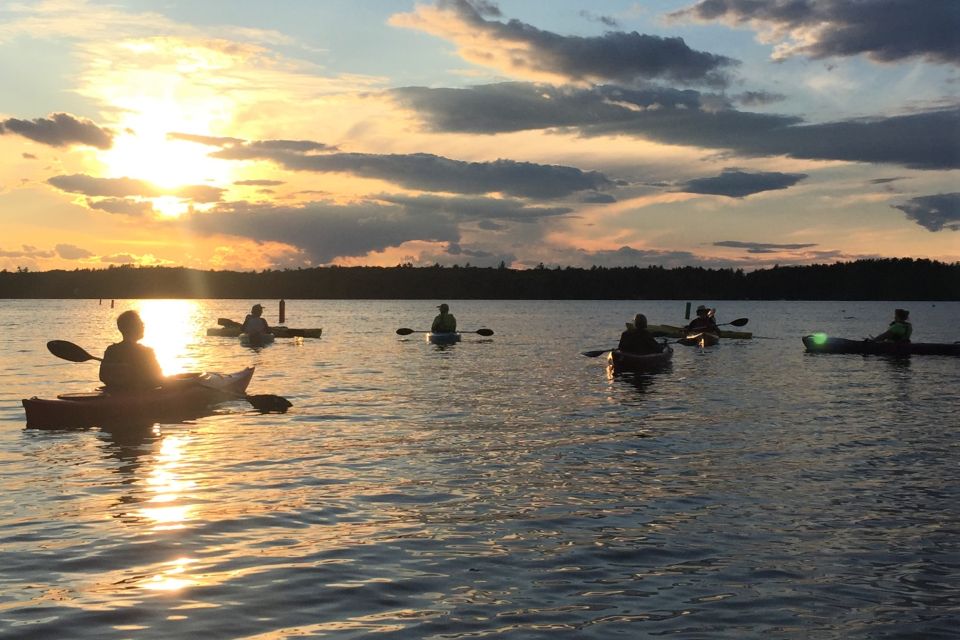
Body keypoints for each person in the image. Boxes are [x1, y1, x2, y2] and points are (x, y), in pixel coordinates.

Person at [99, 310, 165, 391]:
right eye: (140, 323)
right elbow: (159, 378)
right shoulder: (146, 352)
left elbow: (102, 377)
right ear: (134, 327)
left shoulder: (111, 350)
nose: (143, 326)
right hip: (141, 398)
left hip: (115, 395)